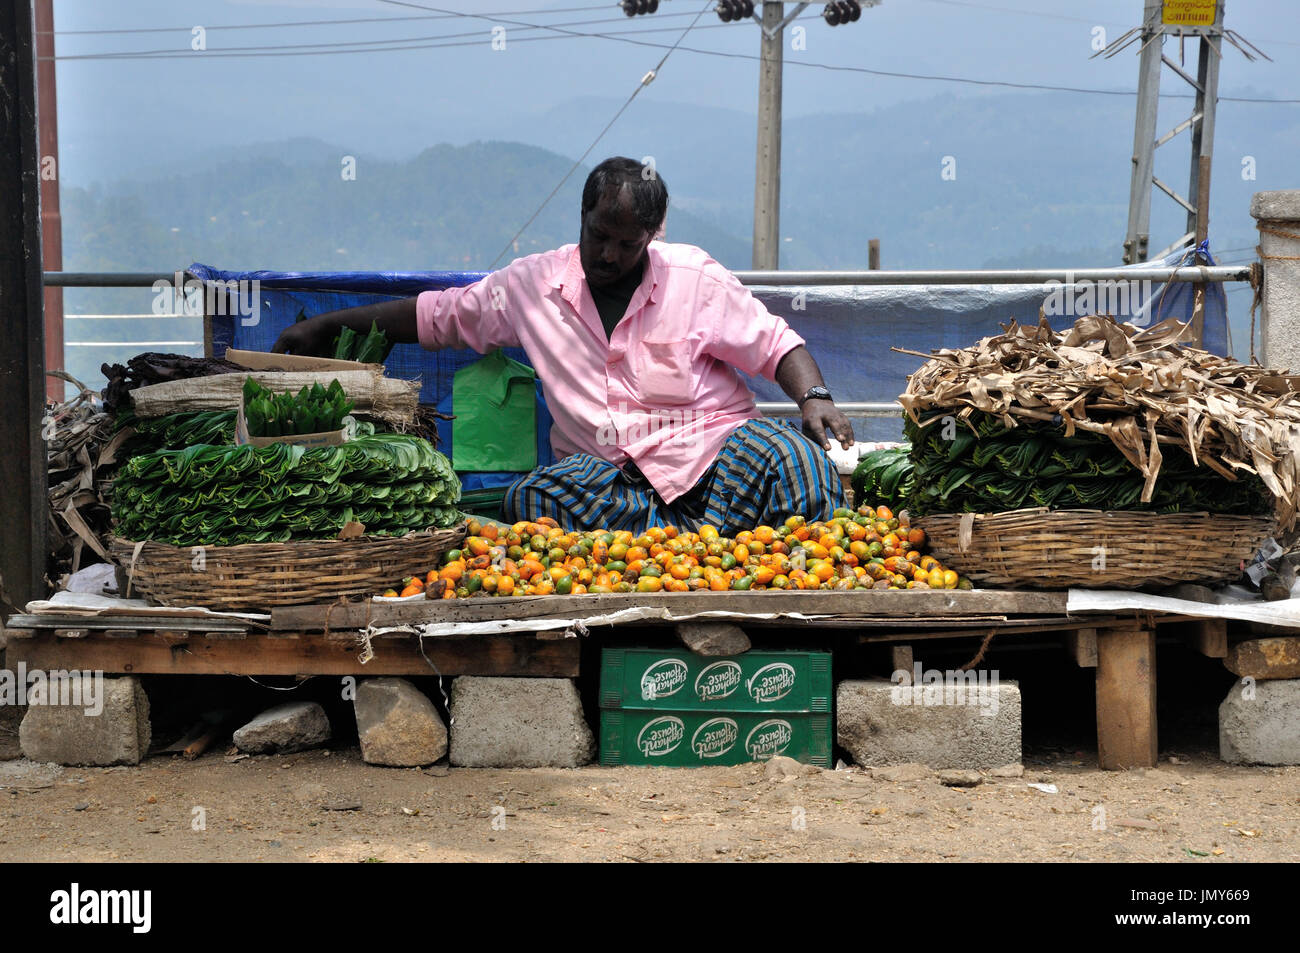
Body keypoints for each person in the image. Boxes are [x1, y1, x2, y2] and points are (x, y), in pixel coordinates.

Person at [273, 156, 854, 533]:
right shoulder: (532, 285)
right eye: (599, 236)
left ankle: (804, 595)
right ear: (582, 216)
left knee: (796, 463)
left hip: (713, 458)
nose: (608, 255)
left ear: (652, 237)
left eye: (627, 244)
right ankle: (685, 555)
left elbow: (776, 345)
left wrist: (815, 397)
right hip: (611, 485)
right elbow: (439, 315)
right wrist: (325, 328)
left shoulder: (694, 277)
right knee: (531, 503)